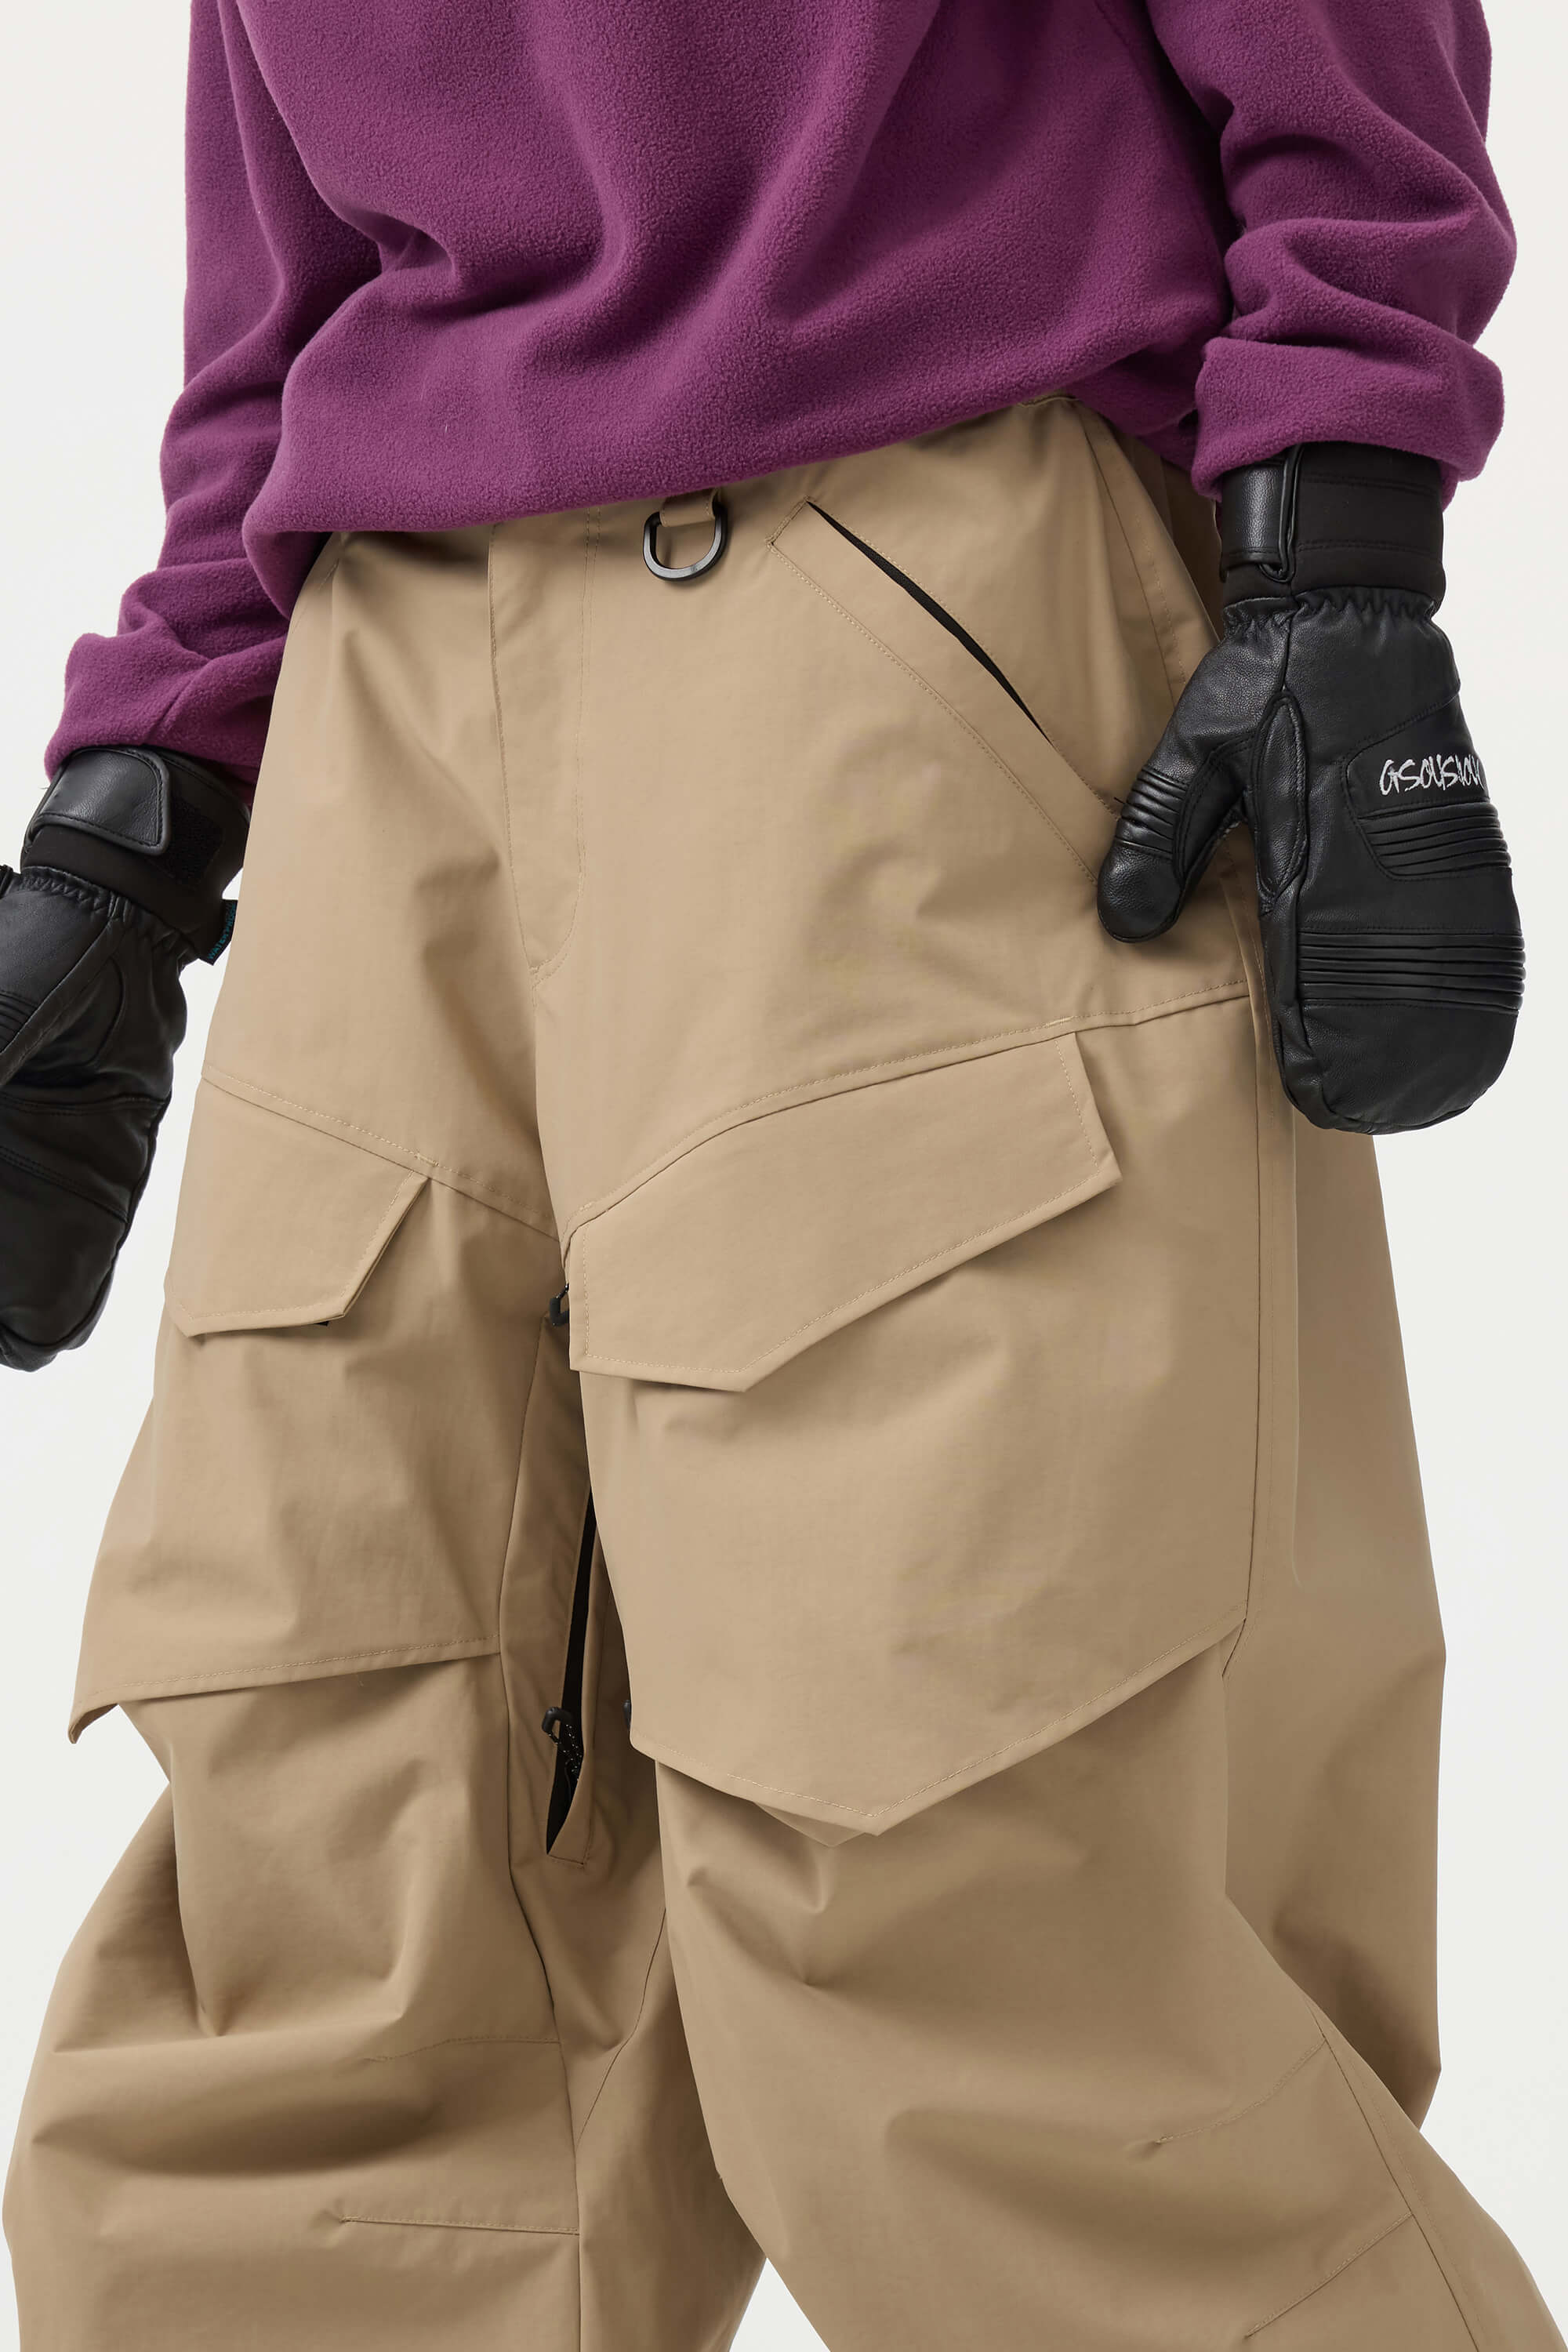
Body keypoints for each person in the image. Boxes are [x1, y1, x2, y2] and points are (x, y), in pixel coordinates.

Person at [0, 0, 1558, 2343]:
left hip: (891, 567)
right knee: (332, 1896)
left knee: (962, 1907)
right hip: (381, 673)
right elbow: (282, 202)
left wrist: (1340, 516)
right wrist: (140, 809)